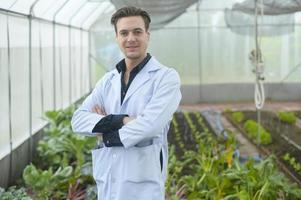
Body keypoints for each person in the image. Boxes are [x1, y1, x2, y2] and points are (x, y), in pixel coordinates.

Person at [71, 6, 181, 200]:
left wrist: (105, 133)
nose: (131, 38)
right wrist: (122, 120)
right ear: (117, 38)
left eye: (137, 32)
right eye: (124, 33)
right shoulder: (108, 80)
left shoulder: (165, 78)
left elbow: (149, 126)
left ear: (148, 35)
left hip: (143, 185)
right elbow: (78, 120)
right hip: (108, 182)